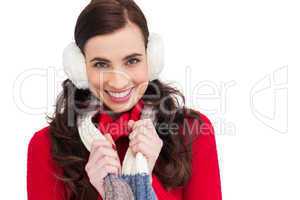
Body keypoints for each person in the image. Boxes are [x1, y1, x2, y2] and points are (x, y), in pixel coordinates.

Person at [26, 0, 222, 199]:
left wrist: (146, 181)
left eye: (132, 61)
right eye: (101, 64)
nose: (118, 82)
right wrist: (101, 191)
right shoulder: (45, 148)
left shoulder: (193, 133)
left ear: (151, 59)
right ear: (79, 68)